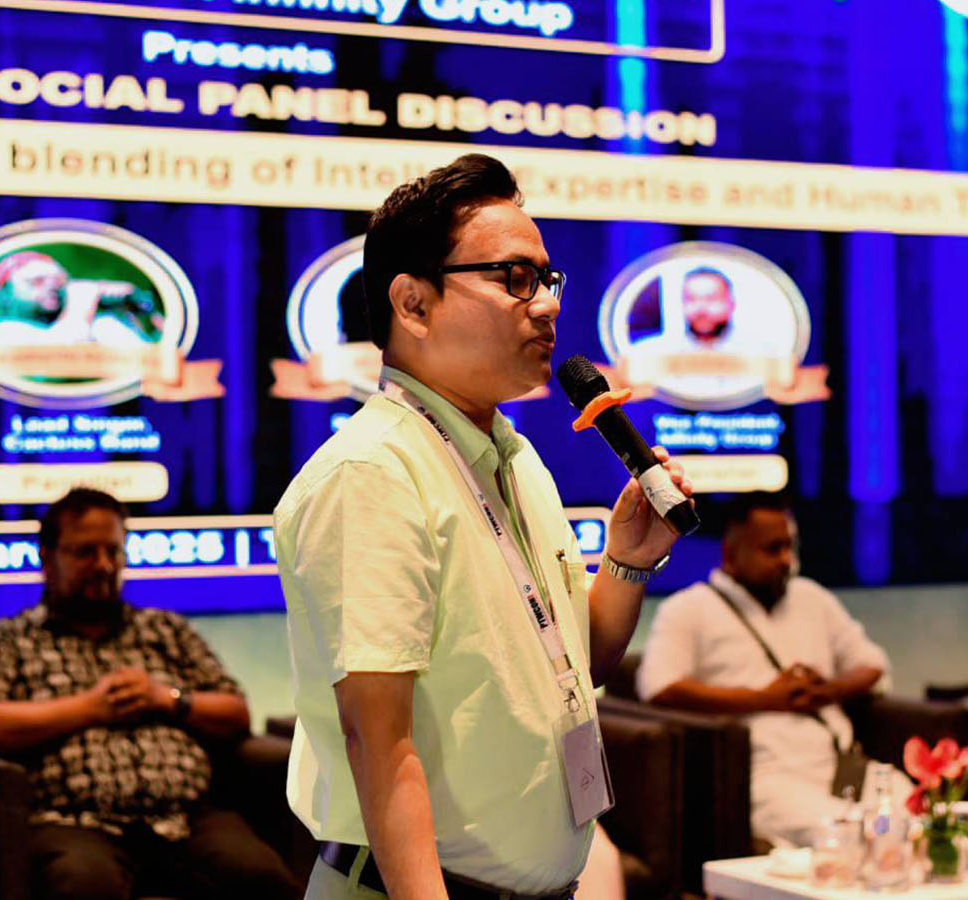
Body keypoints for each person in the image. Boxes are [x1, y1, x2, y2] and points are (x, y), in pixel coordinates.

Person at [274, 153, 693, 900]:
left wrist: (626, 562)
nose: (546, 305)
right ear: (414, 304)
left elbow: (576, 665)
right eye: (514, 278)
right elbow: (379, 741)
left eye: (548, 279)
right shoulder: (374, 472)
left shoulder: (515, 458)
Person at [0, 488, 302, 900]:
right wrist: (89, 708)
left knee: (263, 878)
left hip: (186, 818)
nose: (103, 565)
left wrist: (167, 699)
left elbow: (235, 712)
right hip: (74, 821)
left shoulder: (164, 629)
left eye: (113, 551)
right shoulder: (11, 640)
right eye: (85, 552)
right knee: (86, 884)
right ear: (47, 557)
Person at [636, 492, 891, 849]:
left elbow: (873, 664)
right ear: (731, 554)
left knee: (914, 815)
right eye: (772, 550)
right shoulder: (687, 610)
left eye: (789, 547)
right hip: (769, 777)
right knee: (848, 836)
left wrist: (825, 692)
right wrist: (766, 699)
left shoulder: (811, 597)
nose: (786, 560)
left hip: (842, 764)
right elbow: (659, 687)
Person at [0, 249, 163, 349]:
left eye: (59, 281)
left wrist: (142, 317)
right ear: (5, 295)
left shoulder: (101, 324)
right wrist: (83, 298)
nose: (52, 286)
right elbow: (61, 351)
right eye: (37, 281)